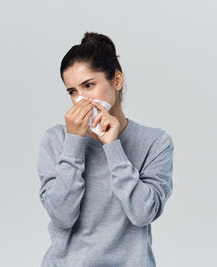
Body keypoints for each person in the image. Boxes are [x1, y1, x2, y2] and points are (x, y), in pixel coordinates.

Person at [36, 31, 174, 267]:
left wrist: (112, 146)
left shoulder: (155, 142)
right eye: (72, 92)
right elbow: (62, 216)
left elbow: (143, 214)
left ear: (117, 81)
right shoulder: (57, 140)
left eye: (89, 85)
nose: (81, 100)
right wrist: (74, 141)